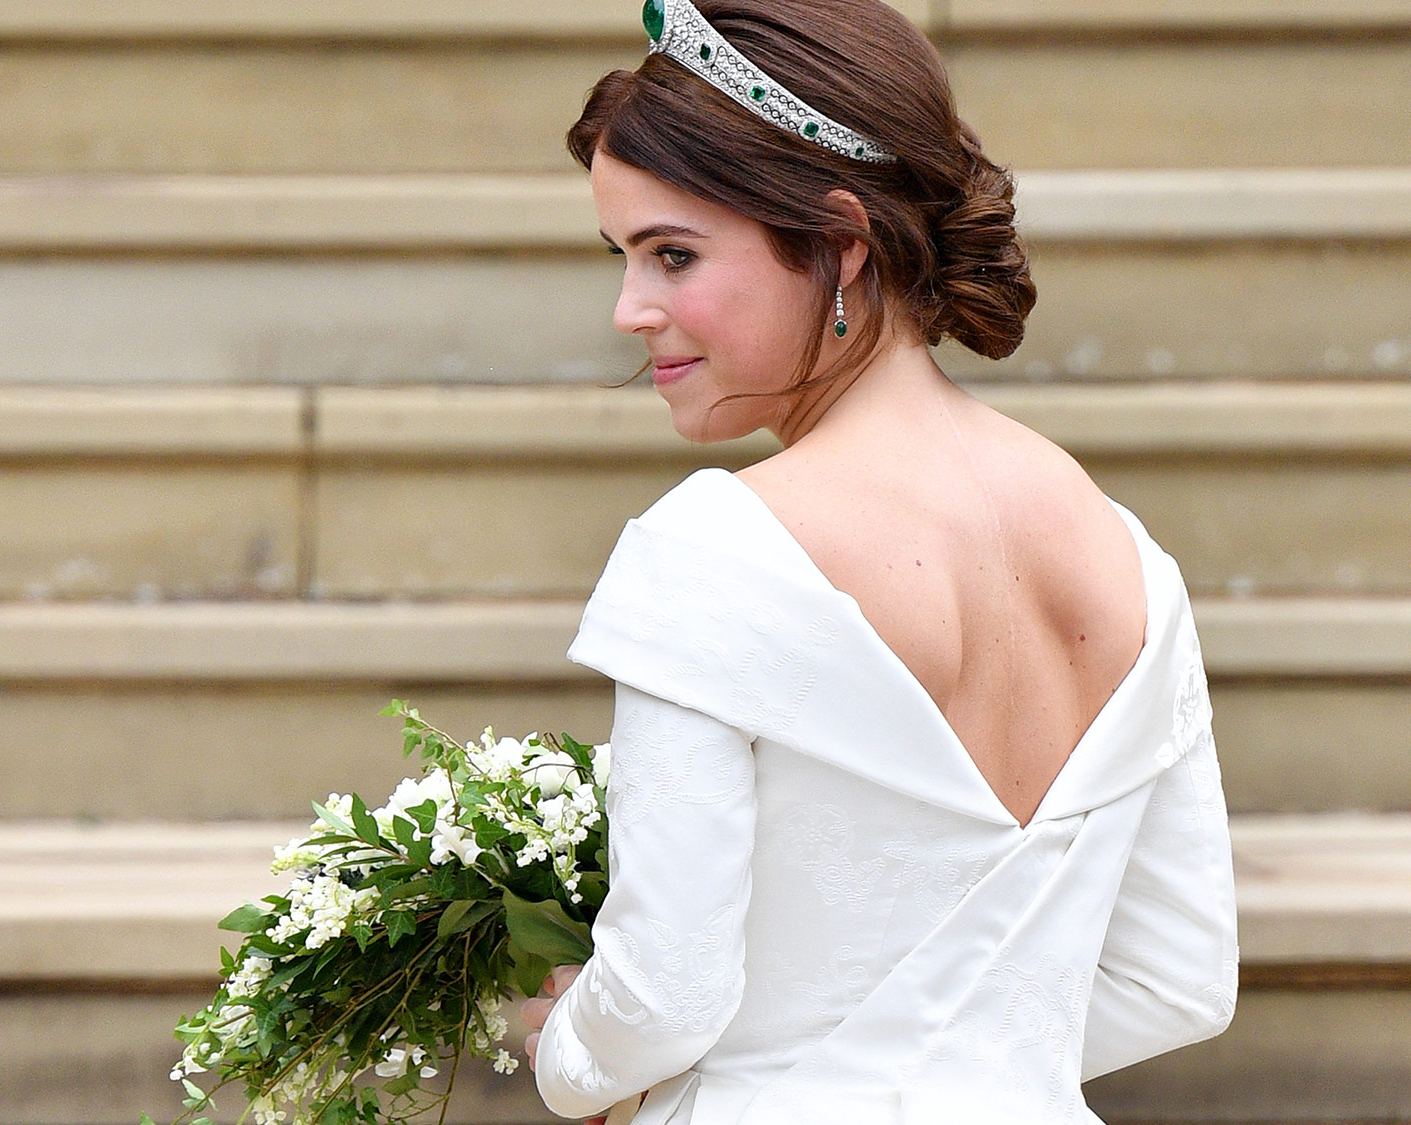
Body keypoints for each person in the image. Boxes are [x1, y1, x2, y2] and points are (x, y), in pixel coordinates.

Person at [514, 1, 1240, 1122]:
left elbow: (663, 995)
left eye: (672, 254)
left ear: (840, 243)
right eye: (621, 257)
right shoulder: (1128, 557)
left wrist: (563, 1052)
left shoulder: (713, 547)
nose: (628, 309)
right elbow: (1176, 981)